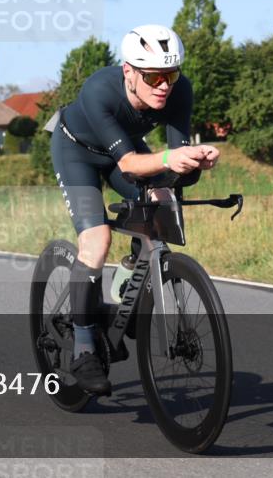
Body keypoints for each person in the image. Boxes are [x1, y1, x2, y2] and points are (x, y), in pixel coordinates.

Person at [48, 24, 220, 394]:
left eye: (171, 74)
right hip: (77, 153)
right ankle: (82, 346)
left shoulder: (179, 92)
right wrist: (173, 158)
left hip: (121, 152)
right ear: (129, 71)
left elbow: (174, 169)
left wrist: (195, 163)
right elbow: (128, 165)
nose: (164, 86)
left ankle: (128, 285)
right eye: (154, 76)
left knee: (163, 203)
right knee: (97, 239)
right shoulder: (98, 89)